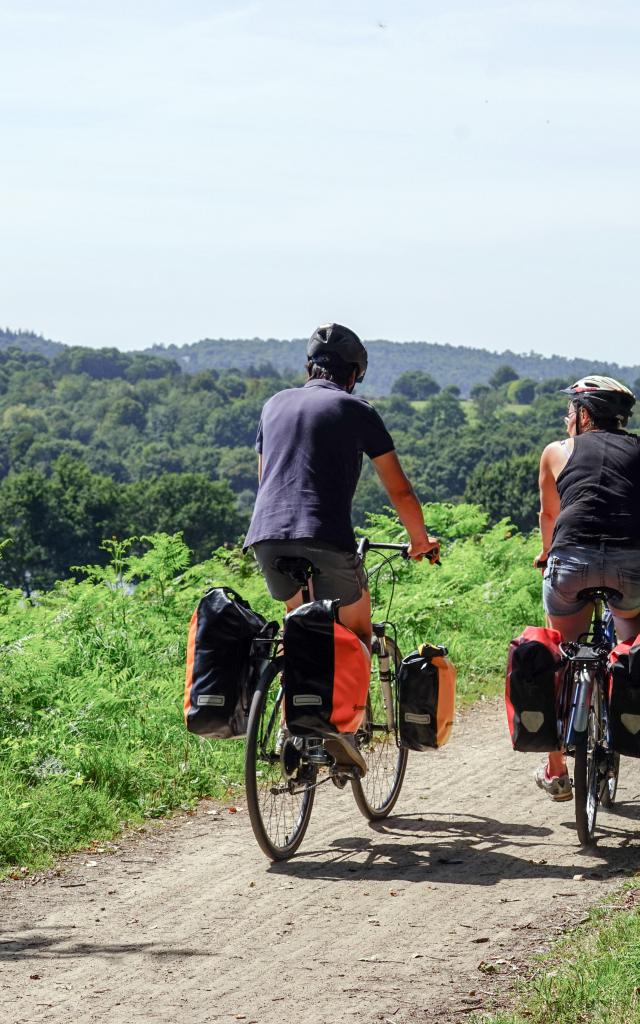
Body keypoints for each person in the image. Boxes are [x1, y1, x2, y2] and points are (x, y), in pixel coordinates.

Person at [244, 322, 440, 771]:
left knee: (298, 628)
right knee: (357, 635)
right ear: (353, 374)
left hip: (267, 538)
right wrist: (419, 541)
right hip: (326, 539)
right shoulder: (357, 409)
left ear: (309, 366)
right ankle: (344, 735)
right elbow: (401, 491)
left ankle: (289, 727)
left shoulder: (273, 404)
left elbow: (265, 479)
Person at [534, 375, 640, 800]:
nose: (565, 419)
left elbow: (549, 516)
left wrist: (547, 555)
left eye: (569, 412)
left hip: (570, 564)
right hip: (630, 567)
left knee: (560, 648)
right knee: (630, 651)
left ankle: (556, 768)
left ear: (583, 415)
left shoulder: (557, 452)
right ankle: (625, 706)